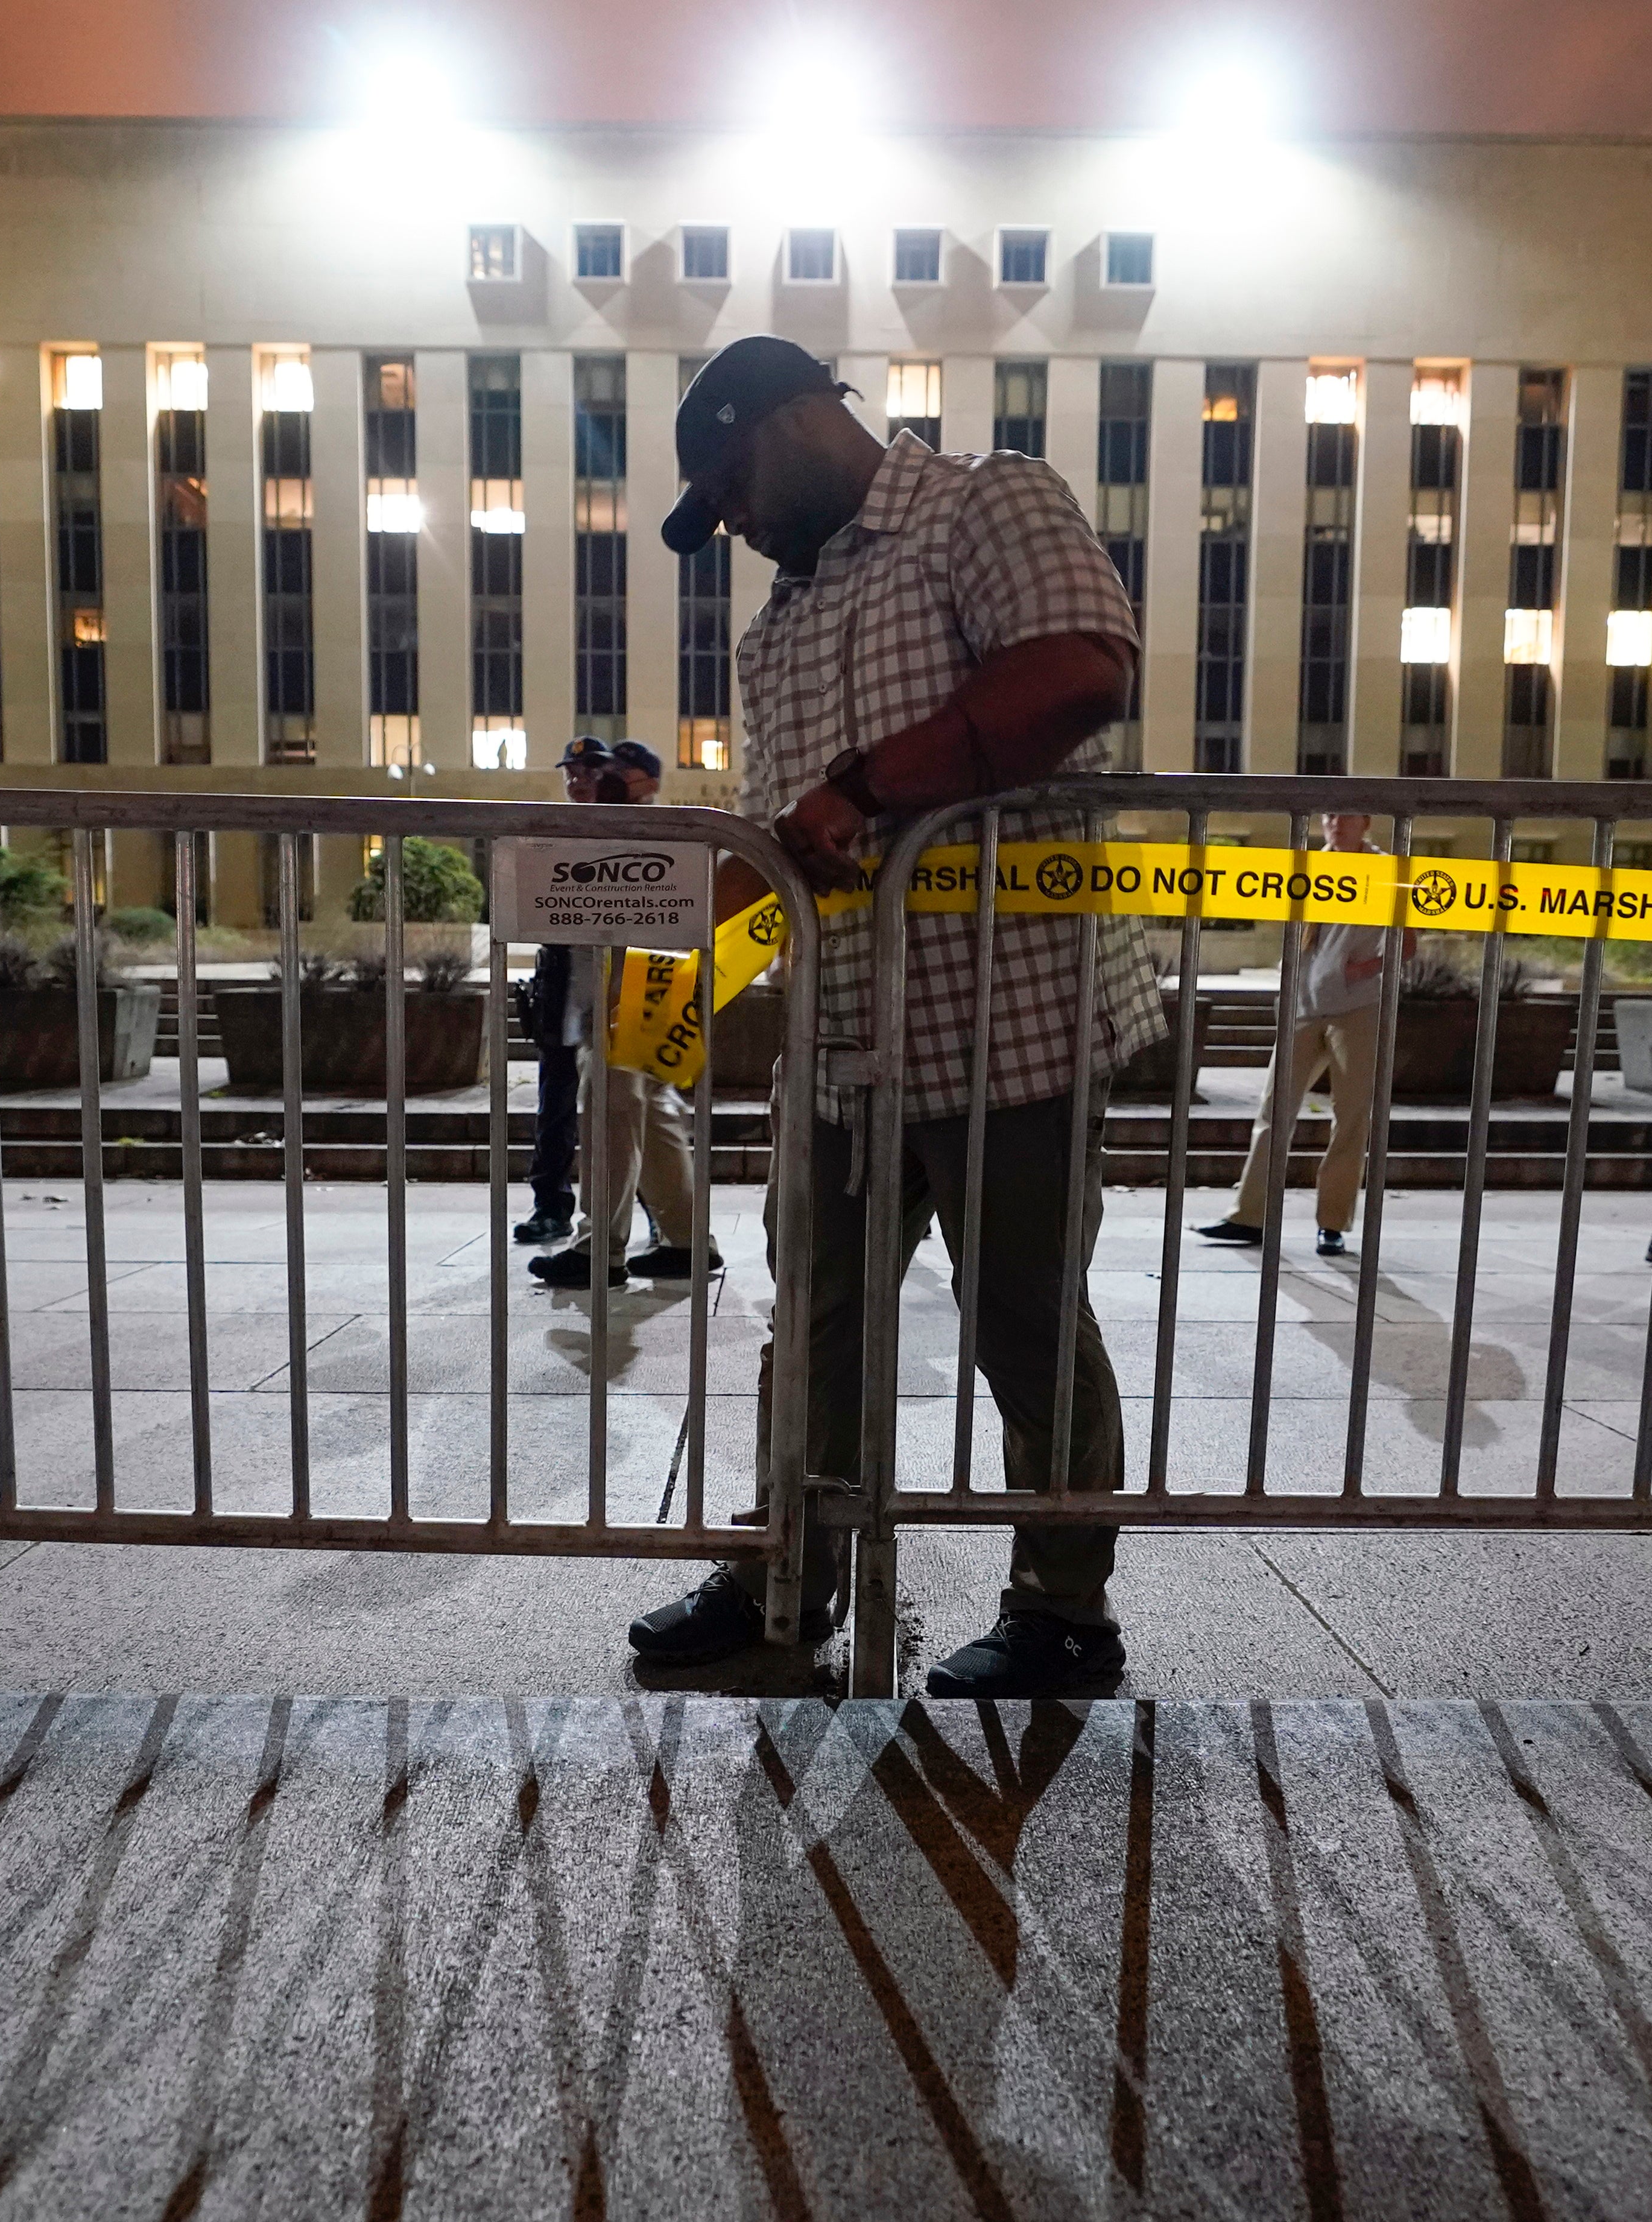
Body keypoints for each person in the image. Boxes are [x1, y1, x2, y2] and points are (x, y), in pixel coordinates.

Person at [620, 334, 1162, 1698]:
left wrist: (864, 790)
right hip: (845, 1038)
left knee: (1025, 1316)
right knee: (810, 1316)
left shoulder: (986, 503)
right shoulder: (781, 623)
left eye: (728, 482)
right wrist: (679, 953)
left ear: (799, 420)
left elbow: (1079, 669)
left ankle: (1060, 1606)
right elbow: (796, 845)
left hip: (1012, 1020)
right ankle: (785, 1573)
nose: (732, 522)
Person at [528, 739, 718, 1290]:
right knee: (652, 1114)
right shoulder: (584, 831)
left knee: (610, 1110)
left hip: (635, 996)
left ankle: (598, 1249)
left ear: (649, 782)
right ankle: (687, 1240)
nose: (596, 780)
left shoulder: (658, 832)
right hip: (614, 998)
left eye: (614, 773)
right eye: (587, 772)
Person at [1194, 811, 1399, 1259]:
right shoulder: (1305, 868)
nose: (1335, 823)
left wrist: (1361, 970)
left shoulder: (1387, 871)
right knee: (1273, 1113)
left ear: (1365, 822)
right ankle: (1248, 1218)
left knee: (1350, 1119)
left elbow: (1409, 940)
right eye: (1329, 816)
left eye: (1345, 816)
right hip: (1303, 1007)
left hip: (1358, 1008)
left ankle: (1333, 1225)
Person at [511, 739, 608, 1247]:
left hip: (616, 993)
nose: (578, 779)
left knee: (625, 1115)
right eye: (571, 771)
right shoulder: (552, 832)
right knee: (555, 1112)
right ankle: (551, 1207)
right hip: (562, 995)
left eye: (589, 770)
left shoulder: (628, 827)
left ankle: (657, 1215)